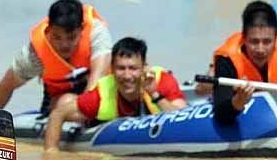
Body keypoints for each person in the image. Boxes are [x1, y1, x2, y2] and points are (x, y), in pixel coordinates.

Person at [43, 37, 188, 151]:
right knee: (65, 101)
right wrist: (52, 152)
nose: (126, 76)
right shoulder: (101, 93)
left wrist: (154, 93)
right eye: (121, 68)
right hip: (99, 128)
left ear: (144, 67)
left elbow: (184, 120)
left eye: (133, 68)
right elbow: (57, 114)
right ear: (112, 69)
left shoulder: (162, 81)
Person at [0, 0, 112, 115]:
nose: (64, 44)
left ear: (81, 29)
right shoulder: (35, 54)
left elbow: (97, 78)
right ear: (49, 30)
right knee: (65, 101)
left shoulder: (96, 33)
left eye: (71, 37)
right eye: (57, 37)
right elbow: (6, 86)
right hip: (58, 101)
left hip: (101, 97)